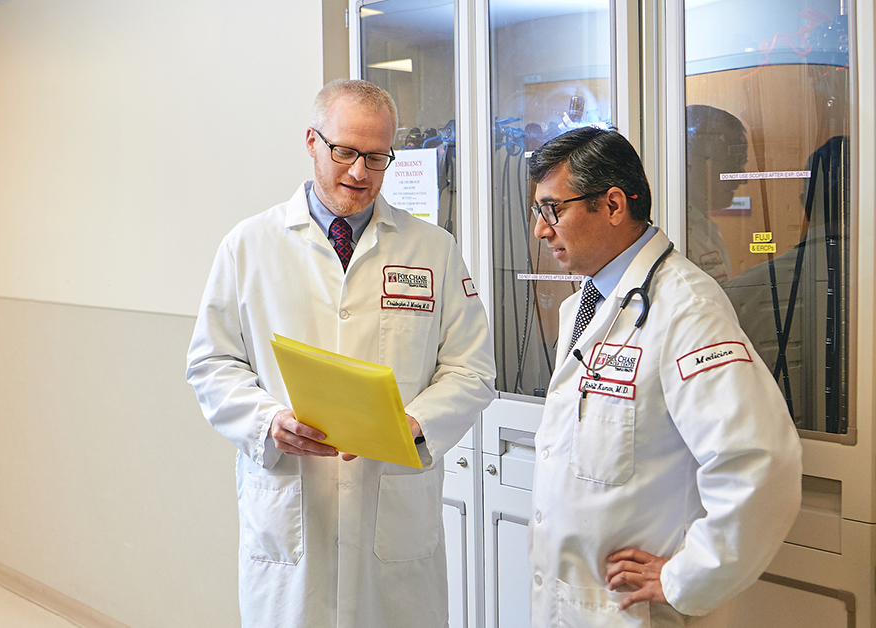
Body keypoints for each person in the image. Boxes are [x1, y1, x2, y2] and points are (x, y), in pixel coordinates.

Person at [185, 79, 496, 628]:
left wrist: (412, 424)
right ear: (311, 141)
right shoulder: (249, 245)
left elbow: (471, 369)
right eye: (345, 152)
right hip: (293, 504)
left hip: (392, 511)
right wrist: (268, 421)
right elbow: (212, 363)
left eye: (377, 158)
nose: (360, 173)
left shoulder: (433, 249)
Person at [525, 127, 802, 627]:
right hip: (578, 601)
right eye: (538, 212)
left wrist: (687, 576)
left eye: (552, 210)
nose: (542, 230)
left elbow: (760, 464)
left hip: (639, 609)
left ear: (612, 205)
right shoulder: (583, 306)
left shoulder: (686, 310)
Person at [685, 104, 749, 284]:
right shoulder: (674, 231)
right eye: (732, 164)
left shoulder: (701, 228)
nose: (742, 179)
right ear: (690, 161)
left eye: (742, 164)